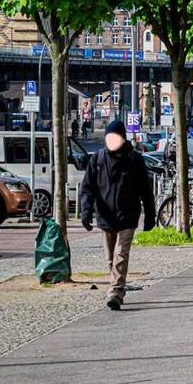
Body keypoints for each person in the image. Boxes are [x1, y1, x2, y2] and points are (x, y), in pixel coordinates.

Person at [79, 120, 156, 311]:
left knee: (121, 254)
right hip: (105, 216)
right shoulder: (97, 159)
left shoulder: (134, 159)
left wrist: (150, 216)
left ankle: (115, 291)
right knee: (110, 258)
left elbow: (145, 190)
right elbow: (88, 188)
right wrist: (85, 212)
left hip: (128, 215)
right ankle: (116, 286)